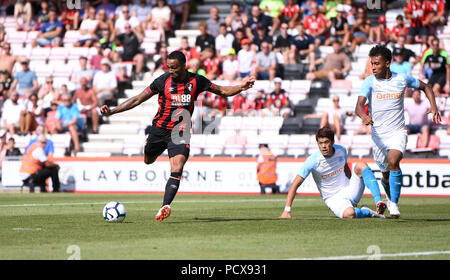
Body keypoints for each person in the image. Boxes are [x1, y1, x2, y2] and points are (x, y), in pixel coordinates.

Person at [100, 51, 255, 222]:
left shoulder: (196, 80)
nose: (171, 70)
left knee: (177, 166)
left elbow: (222, 91)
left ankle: (165, 206)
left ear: (183, 66)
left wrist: (241, 87)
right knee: (148, 160)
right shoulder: (162, 81)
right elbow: (138, 99)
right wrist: (113, 111)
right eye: (169, 67)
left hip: (180, 131)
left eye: (174, 67)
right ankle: (149, 145)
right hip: (159, 130)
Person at [355, 45, 441, 218]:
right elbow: (358, 106)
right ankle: (390, 197)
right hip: (378, 135)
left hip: (397, 132)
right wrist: (363, 117)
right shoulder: (369, 82)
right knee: (385, 176)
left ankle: (394, 204)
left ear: (387, 63)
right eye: (371, 63)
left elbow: (426, 87)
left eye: (376, 63)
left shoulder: (401, 79)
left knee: (394, 160)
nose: (372, 67)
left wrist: (433, 106)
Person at [280, 127, 386, 219]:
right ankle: (366, 211)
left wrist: (352, 186)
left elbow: (346, 169)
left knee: (361, 165)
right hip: (332, 198)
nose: (323, 146)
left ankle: (378, 202)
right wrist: (287, 210)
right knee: (350, 214)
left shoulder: (342, 150)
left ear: (332, 142)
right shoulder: (312, 161)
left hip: (348, 189)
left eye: (326, 142)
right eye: (320, 143)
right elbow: (295, 184)